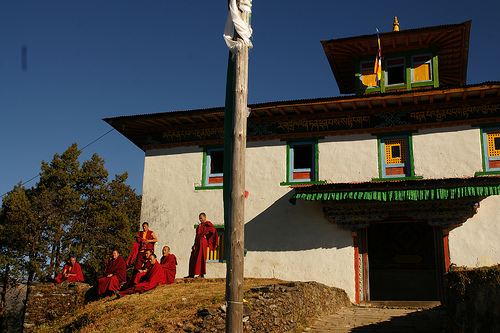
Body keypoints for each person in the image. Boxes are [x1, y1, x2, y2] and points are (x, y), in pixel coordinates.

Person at [186, 213, 218, 278]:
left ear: (205, 217)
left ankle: (201, 274)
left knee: (201, 257)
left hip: (203, 242)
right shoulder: (199, 226)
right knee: (193, 256)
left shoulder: (208, 224)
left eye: (201, 218)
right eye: (200, 218)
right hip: (198, 242)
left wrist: (207, 234)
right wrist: (194, 244)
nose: (200, 220)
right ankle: (191, 274)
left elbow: (213, 230)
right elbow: (197, 236)